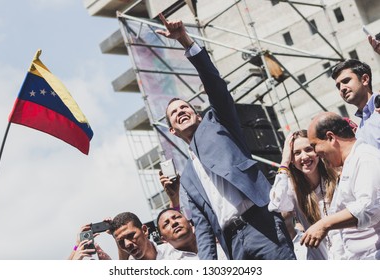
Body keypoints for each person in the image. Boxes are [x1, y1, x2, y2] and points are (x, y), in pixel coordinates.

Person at [156, 14, 295, 260]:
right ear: (173, 131)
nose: (181, 112)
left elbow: (215, 85)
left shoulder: (219, 125)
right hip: (233, 244)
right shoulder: (187, 176)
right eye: (174, 113)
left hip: (262, 225)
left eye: (185, 107)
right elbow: (203, 227)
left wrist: (186, 42)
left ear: (198, 116)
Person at [301, 112, 380, 259]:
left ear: (330, 137)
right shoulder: (351, 162)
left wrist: (324, 224)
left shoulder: (365, 159)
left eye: (314, 145)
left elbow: (368, 208)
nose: (316, 154)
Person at [268, 130, 338, 259]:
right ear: (292, 160)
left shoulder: (336, 178)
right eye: (297, 153)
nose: (304, 156)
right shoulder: (292, 188)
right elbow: (275, 204)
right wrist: (284, 162)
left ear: (317, 152)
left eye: (308, 149)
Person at [331, 58, 380, 148]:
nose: (342, 88)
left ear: (365, 79)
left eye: (346, 81)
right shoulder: (358, 131)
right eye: (338, 86)